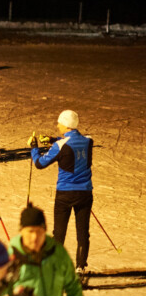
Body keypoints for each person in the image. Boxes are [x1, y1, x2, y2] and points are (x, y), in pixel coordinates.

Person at [2, 204, 88, 296]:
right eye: (30, 231)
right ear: (21, 231)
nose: (35, 237)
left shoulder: (58, 253)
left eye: (39, 231)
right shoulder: (11, 258)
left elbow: (73, 287)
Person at [29, 110, 94, 273]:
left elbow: (39, 163)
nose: (57, 126)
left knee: (59, 233)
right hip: (85, 193)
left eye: (59, 123)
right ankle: (80, 267)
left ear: (66, 125)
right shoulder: (88, 141)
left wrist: (34, 148)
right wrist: (52, 139)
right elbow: (74, 141)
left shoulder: (60, 146)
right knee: (82, 232)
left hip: (65, 194)